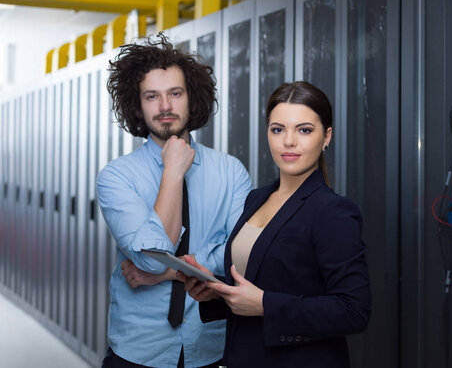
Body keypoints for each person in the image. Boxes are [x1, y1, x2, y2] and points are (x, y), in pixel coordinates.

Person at [178, 81, 371, 368]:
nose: (288, 141)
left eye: (304, 130)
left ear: (326, 137)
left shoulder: (333, 211)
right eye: (277, 129)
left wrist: (266, 305)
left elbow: (354, 310)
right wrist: (217, 293)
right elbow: (262, 281)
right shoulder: (256, 198)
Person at [97, 34, 251, 367]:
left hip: (212, 345)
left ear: (192, 99)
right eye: (152, 96)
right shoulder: (116, 177)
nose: (165, 106)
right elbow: (152, 259)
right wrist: (172, 172)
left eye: (175, 94)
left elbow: (239, 258)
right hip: (139, 349)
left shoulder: (231, 171)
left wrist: (166, 274)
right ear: (137, 106)